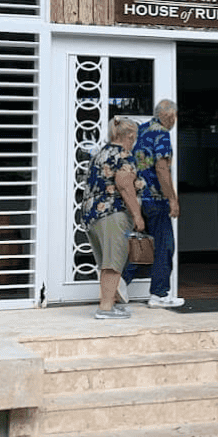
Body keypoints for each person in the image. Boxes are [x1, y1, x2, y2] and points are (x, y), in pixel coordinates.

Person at [82, 115, 145, 319]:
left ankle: (110, 303)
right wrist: (137, 215)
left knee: (106, 261)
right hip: (112, 213)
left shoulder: (101, 153)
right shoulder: (123, 155)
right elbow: (125, 187)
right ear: (131, 134)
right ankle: (105, 308)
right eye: (135, 134)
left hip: (93, 214)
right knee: (113, 262)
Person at [122, 99, 184, 307]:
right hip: (157, 200)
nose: (175, 121)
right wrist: (172, 199)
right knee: (164, 246)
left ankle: (117, 285)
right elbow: (162, 169)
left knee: (141, 244)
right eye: (174, 116)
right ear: (169, 116)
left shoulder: (142, 130)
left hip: (140, 199)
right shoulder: (162, 134)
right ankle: (159, 294)